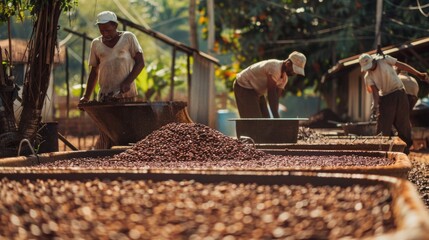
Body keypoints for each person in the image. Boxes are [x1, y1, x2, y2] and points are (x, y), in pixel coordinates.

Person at [79, 11, 145, 149]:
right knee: (107, 133)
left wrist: (127, 81)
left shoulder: (128, 38)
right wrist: (86, 96)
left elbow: (140, 63)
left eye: (108, 30)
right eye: (102, 30)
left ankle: (127, 158)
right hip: (106, 97)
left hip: (126, 96)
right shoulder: (96, 44)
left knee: (126, 131)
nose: (105, 33)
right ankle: (106, 159)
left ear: (115, 26)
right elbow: (94, 71)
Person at [359, 53, 429, 154]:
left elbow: (402, 65)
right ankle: (382, 151)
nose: (370, 69)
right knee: (383, 127)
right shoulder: (368, 77)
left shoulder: (384, 60)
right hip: (385, 97)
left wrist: (418, 74)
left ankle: (404, 151)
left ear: (373, 61)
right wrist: (375, 105)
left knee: (403, 124)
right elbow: (375, 93)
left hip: (399, 92)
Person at [233, 51, 306, 118]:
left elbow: (276, 98)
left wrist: (276, 117)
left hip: (257, 91)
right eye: (294, 70)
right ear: (288, 64)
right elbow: (271, 94)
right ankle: (245, 132)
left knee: (266, 120)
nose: (294, 73)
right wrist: (276, 118)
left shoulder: (284, 79)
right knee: (254, 120)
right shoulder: (274, 67)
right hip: (244, 85)